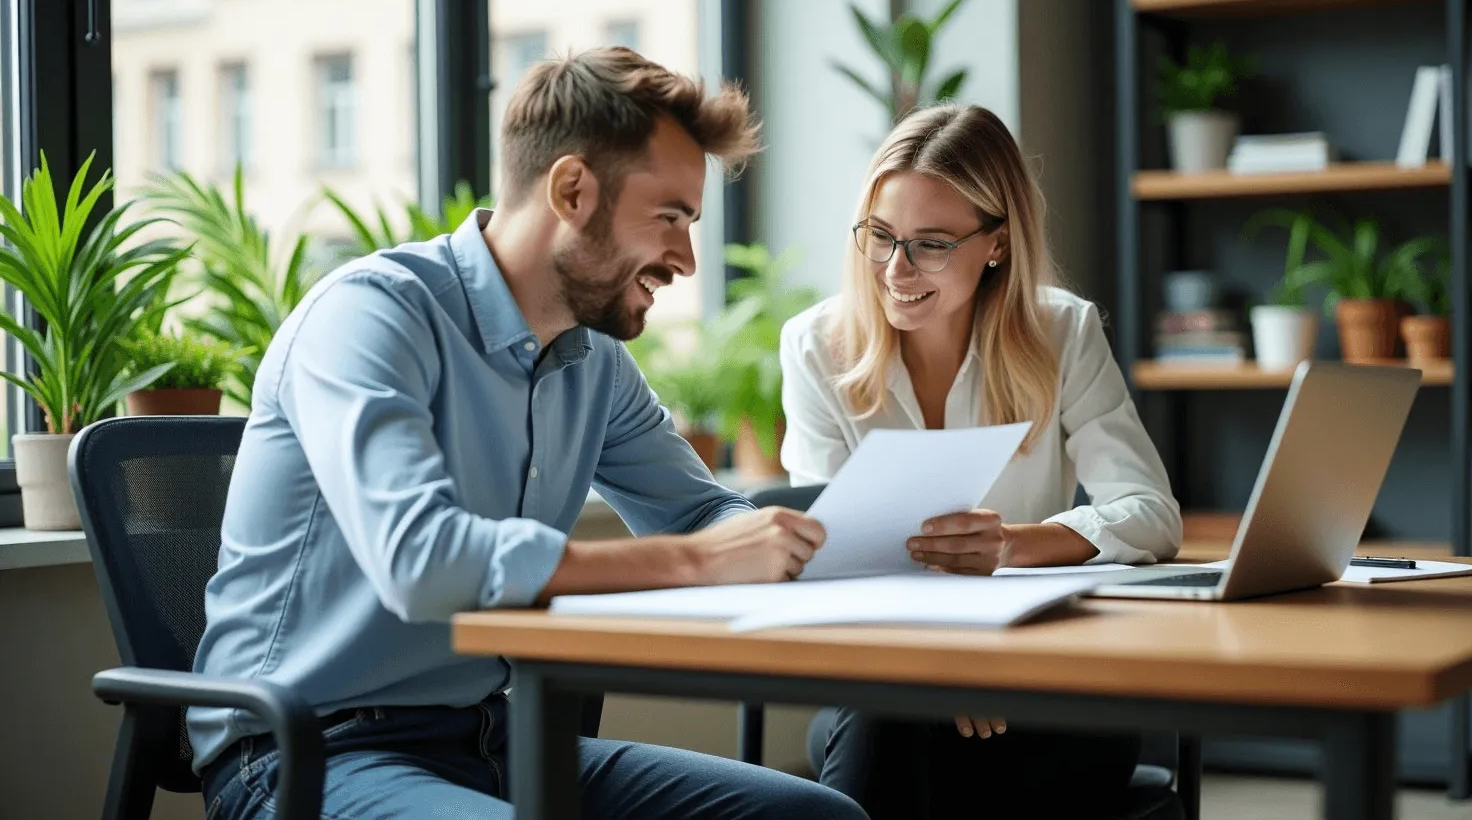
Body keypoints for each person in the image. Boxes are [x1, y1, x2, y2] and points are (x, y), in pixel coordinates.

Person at [188, 47, 867, 820]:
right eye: (670, 218)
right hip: (310, 752)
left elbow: (699, 514)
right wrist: (696, 559)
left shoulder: (593, 361)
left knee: (818, 817)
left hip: (497, 740)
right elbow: (422, 560)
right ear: (572, 189)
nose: (683, 257)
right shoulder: (371, 315)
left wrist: (789, 544)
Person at [778, 103, 1183, 817]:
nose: (895, 270)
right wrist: (940, 666)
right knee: (898, 721)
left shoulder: (1063, 332)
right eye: (880, 236)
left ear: (996, 244)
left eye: (930, 244)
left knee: (910, 766)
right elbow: (829, 557)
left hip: (1044, 684)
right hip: (889, 680)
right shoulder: (815, 347)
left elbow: (1151, 515)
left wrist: (1011, 546)